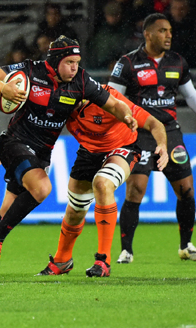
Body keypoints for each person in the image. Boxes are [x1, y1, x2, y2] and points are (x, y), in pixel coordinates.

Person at [0, 35, 139, 280]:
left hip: (41, 153)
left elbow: (113, 104)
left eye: (77, 62)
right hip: (14, 143)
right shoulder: (31, 71)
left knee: (7, 211)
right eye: (70, 62)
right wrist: (2, 87)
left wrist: (126, 115)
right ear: (56, 60)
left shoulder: (81, 80)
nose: (75, 67)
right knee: (41, 188)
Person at [107, 13, 196, 264]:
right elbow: (112, 97)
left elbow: (192, 95)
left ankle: (186, 245)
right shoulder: (128, 63)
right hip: (139, 134)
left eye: (170, 31)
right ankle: (126, 250)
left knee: (186, 190)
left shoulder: (177, 62)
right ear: (148, 34)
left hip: (171, 133)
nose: (169, 35)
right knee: (136, 190)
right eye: (163, 31)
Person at [36, 84, 168, 278]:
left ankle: (103, 260)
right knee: (75, 210)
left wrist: (162, 145)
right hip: (88, 152)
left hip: (123, 147)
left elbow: (154, 123)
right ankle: (62, 261)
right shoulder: (58, 106)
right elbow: (39, 134)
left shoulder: (108, 97)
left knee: (102, 183)